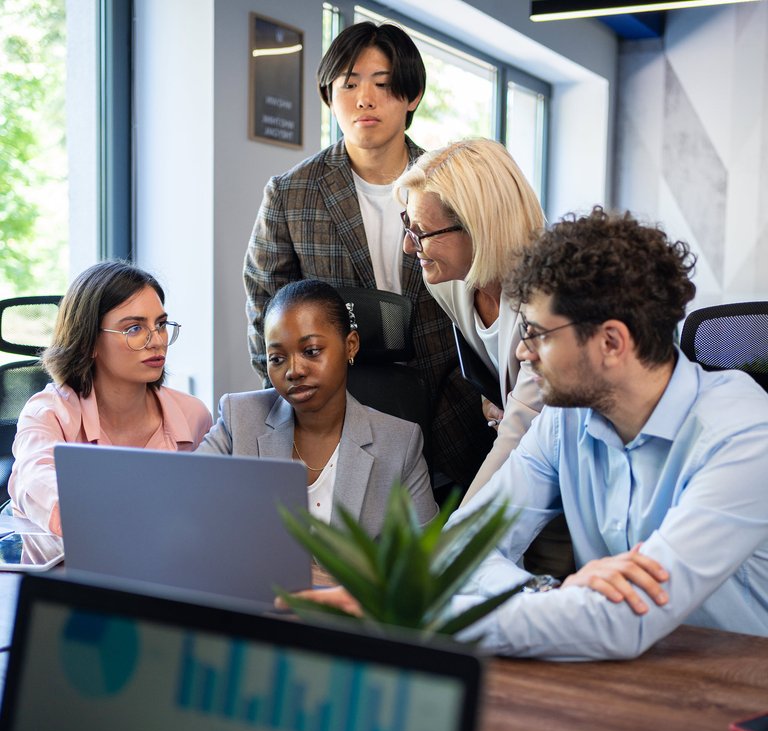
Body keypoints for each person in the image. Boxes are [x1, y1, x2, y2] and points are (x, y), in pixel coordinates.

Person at [286, 207, 768, 660]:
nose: (521, 354)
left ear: (611, 342)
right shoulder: (565, 420)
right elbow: (467, 545)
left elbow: (626, 620)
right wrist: (544, 591)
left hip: (733, 683)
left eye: (536, 334)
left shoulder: (743, 436)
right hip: (607, 670)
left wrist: (413, 617)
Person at [243, 20, 493, 493]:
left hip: (449, 403)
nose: (364, 99)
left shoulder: (452, 187)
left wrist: (482, 388)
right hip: (336, 405)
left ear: (411, 95)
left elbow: (483, 291)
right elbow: (264, 306)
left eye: (382, 84)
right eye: (349, 84)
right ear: (328, 94)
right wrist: (297, 394)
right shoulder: (292, 193)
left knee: (444, 551)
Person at [395, 138, 573, 578]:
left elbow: (521, 427)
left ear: (479, 227)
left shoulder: (549, 301)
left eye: (420, 231)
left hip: (575, 474)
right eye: (408, 224)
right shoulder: (447, 282)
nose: (407, 245)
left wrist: (435, 561)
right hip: (524, 464)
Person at [197, 279, 436, 535]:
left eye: (311, 351)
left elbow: (426, 560)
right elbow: (184, 504)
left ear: (350, 345)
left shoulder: (400, 444)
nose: (294, 371)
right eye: (277, 358)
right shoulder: (239, 418)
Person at [8, 262, 213, 536]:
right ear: (89, 341)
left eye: (161, 324)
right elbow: (35, 481)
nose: (157, 341)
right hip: (67, 570)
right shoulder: (49, 412)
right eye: (134, 329)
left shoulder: (193, 415)